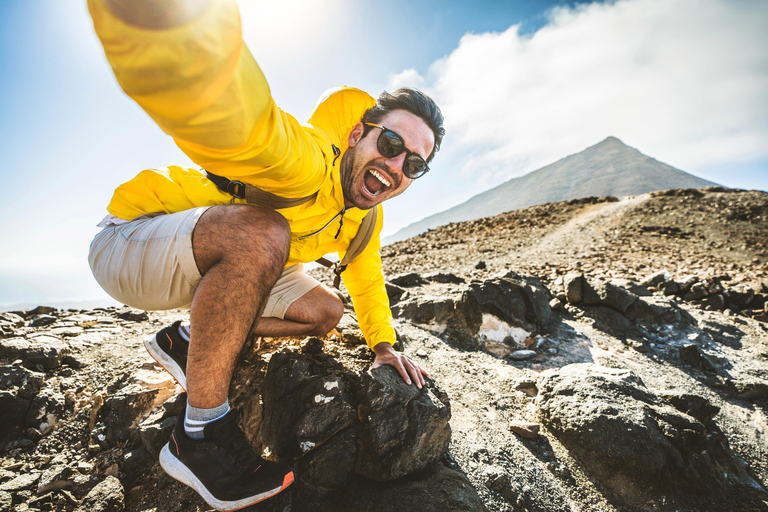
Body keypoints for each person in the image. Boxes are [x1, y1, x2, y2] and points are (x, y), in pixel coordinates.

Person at [86, 0, 444, 509]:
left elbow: (367, 280)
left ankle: (184, 339)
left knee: (327, 310)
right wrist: (170, 29)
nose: (396, 164)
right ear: (357, 135)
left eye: (414, 164)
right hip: (129, 241)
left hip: (204, 256)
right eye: (390, 142)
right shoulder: (305, 162)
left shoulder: (365, 217)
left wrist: (384, 345)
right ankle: (200, 434)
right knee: (266, 234)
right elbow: (247, 124)